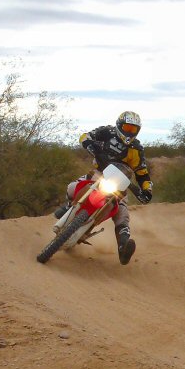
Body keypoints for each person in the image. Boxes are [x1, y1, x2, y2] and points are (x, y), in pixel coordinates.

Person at [53, 110, 153, 265]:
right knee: (72, 187)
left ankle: (123, 245)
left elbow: (142, 173)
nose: (129, 132)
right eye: (127, 127)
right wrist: (88, 143)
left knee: (122, 213)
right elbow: (85, 136)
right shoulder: (107, 132)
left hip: (120, 183)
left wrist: (147, 189)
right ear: (120, 125)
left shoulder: (137, 149)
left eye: (133, 129)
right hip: (98, 173)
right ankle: (68, 207)